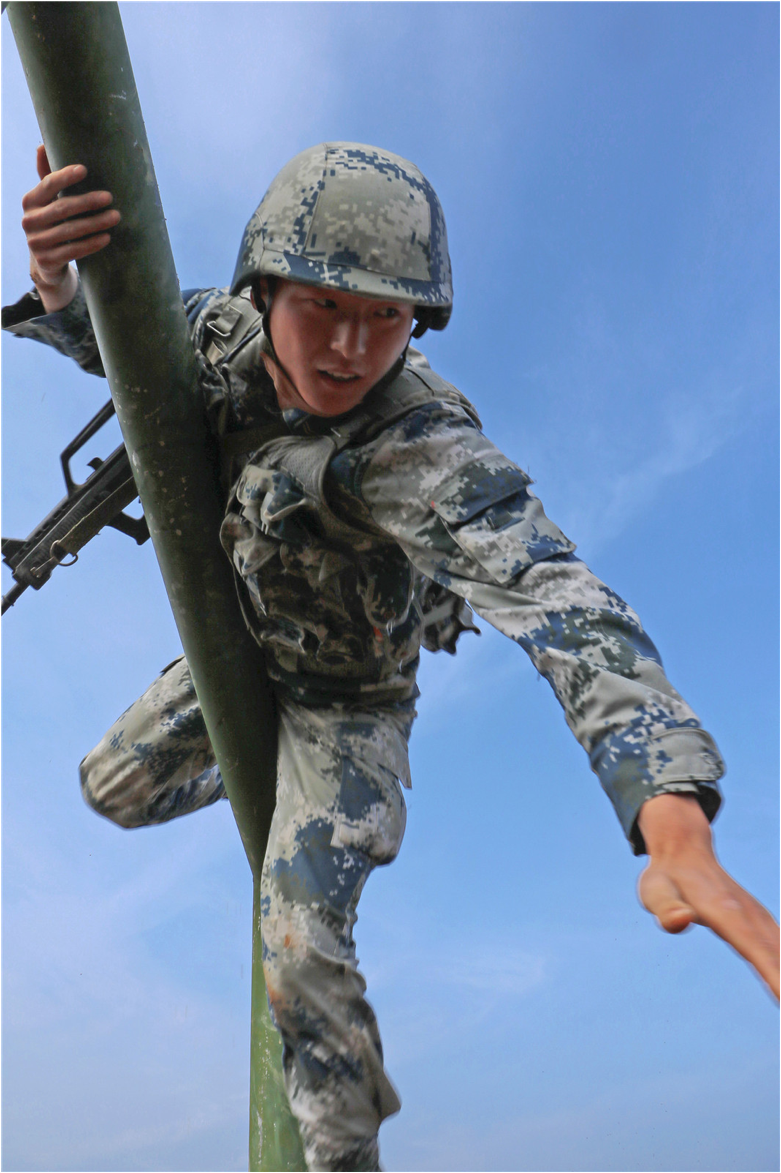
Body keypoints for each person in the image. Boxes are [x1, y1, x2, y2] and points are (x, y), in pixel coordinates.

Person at [4, 142, 779, 1173]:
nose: (350, 346)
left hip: (347, 702)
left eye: (387, 317)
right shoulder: (212, 332)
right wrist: (56, 278)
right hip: (243, 645)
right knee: (113, 787)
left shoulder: (421, 445)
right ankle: (278, 788)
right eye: (324, 304)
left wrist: (670, 814)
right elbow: (111, 348)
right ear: (266, 286)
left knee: (300, 954)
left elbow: (560, 600)